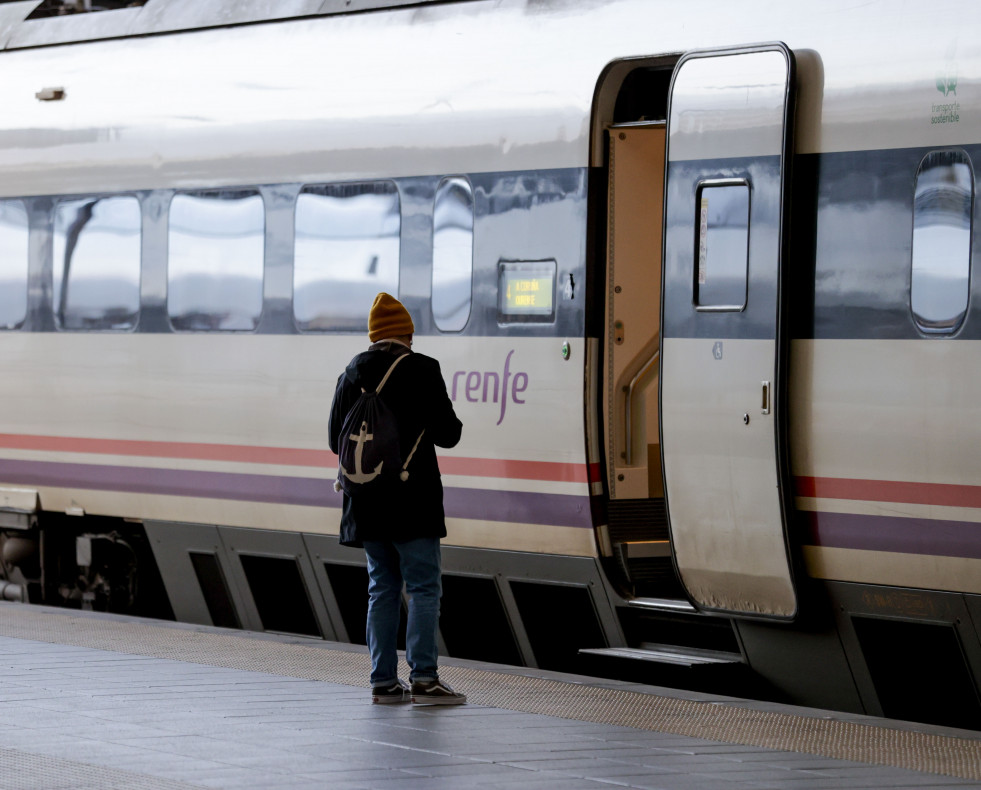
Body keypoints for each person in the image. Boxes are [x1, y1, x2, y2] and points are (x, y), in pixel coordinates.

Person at [328, 292, 466, 705]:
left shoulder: (352, 372)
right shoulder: (422, 369)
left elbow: (334, 436)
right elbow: (450, 433)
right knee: (423, 588)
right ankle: (424, 676)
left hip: (366, 501)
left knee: (381, 587)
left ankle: (383, 681)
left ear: (373, 336)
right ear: (407, 334)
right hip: (412, 499)